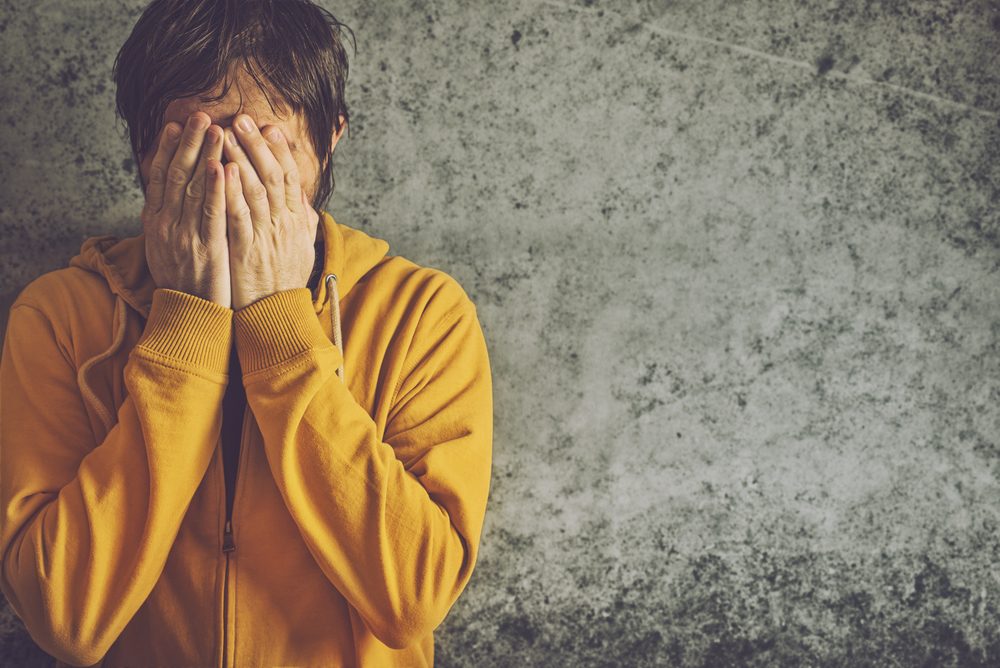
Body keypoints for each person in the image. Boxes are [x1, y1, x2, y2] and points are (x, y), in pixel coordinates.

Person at [0, 1, 493, 666]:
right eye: (197, 148)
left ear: (330, 137)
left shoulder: (422, 315)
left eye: (267, 151)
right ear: (146, 153)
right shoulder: (59, 317)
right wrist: (186, 325)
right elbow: (66, 619)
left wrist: (279, 320)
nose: (230, 181)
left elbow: (411, 598)